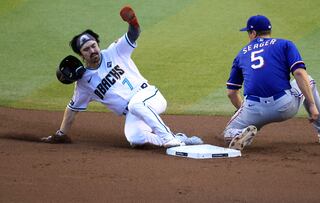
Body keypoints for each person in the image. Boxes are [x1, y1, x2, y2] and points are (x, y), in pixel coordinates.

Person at [41, 5, 203, 148]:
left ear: (98, 44)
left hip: (149, 96)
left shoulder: (115, 51)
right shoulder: (84, 83)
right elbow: (72, 110)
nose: (92, 51)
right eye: (86, 49)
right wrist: (61, 134)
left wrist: (133, 22)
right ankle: (178, 139)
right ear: (81, 55)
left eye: (93, 46)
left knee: (135, 105)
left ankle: (169, 138)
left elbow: (133, 34)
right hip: (134, 112)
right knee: (135, 138)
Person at [223, 15, 320, 150]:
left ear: (253, 33)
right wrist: (311, 105)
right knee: (309, 80)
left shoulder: (241, 54)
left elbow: (231, 92)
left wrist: (246, 112)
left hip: (253, 109)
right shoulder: (285, 44)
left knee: (228, 131)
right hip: (284, 107)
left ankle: (240, 132)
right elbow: (299, 73)